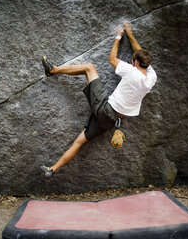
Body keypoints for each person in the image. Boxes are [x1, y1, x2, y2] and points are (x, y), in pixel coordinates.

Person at [40, 21, 157, 177]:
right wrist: (130, 34)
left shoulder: (131, 71)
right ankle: (52, 169)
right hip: (110, 121)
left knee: (89, 67)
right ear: (146, 64)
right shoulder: (151, 78)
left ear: (135, 63)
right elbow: (141, 54)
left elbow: (112, 59)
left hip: (104, 108)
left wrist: (118, 36)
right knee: (80, 141)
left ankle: (52, 70)